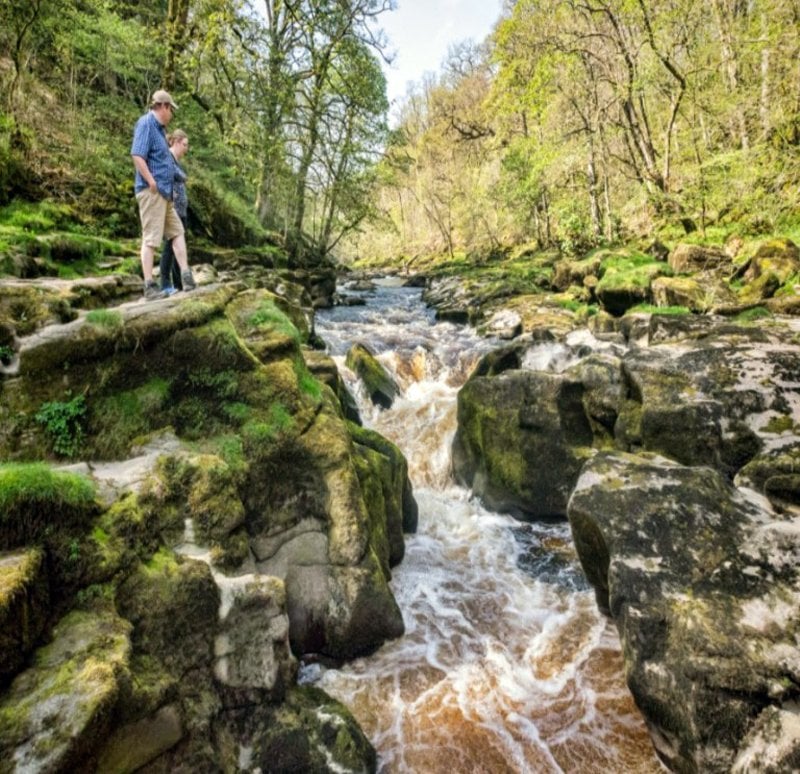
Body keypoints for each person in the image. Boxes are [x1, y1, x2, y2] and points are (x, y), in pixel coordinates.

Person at [131, 89, 196, 299]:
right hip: (152, 192)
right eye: (171, 110)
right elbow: (137, 155)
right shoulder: (146, 124)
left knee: (177, 232)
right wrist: (151, 181)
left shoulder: (160, 131)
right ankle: (150, 286)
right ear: (164, 107)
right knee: (151, 239)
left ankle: (186, 277)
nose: (172, 115)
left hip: (165, 196)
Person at [159, 129, 190, 294]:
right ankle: (164, 284)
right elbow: (178, 176)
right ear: (176, 142)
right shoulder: (168, 158)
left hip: (181, 210)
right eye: (184, 145)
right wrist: (183, 176)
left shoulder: (176, 160)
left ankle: (178, 284)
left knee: (179, 247)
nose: (186, 148)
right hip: (172, 209)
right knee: (169, 248)